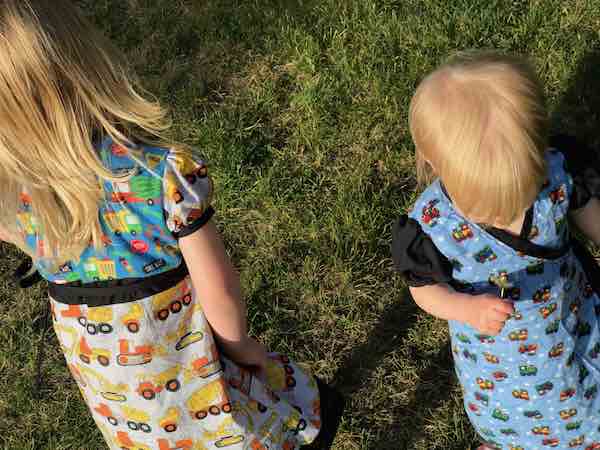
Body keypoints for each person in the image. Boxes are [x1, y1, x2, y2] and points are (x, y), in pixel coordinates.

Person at [0, 1, 344, 448]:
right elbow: (219, 294)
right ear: (84, 64)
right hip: (194, 373)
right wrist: (246, 352)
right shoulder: (162, 175)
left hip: (121, 401)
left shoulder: (14, 196)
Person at [392, 50, 600, 449]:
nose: (508, 211)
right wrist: (463, 309)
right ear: (436, 165)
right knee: (521, 415)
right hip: (500, 357)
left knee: (586, 388)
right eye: (484, 206)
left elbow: (587, 210)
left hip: (572, 311)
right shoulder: (432, 228)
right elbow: (422, 288)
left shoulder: (556, 170)